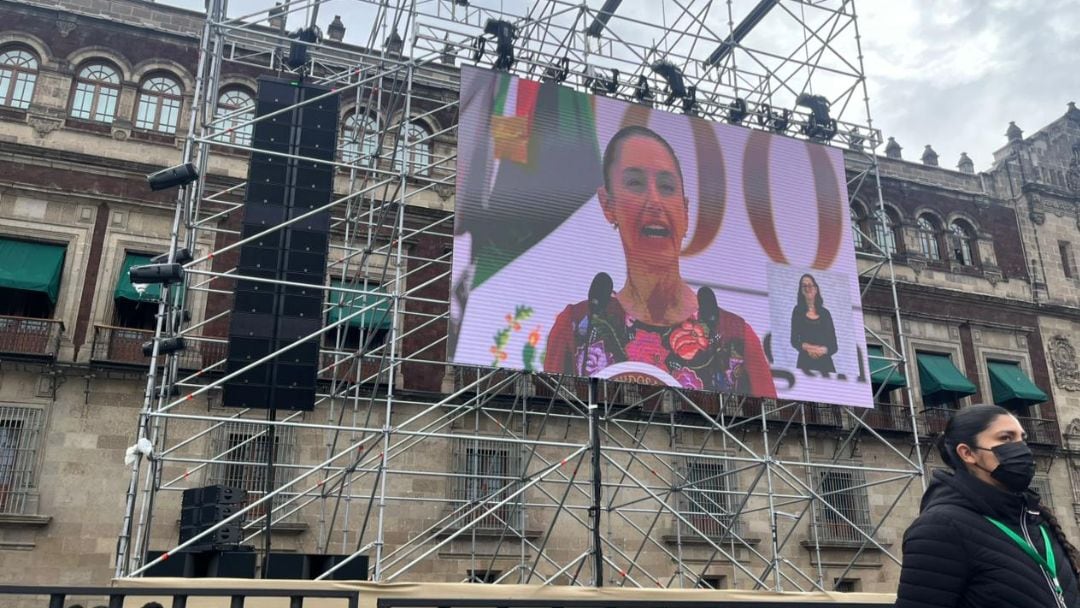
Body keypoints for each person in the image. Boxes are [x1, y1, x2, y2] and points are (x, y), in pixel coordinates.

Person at [544, 125, 775, 397]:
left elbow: (775, 429)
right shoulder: (579, 327)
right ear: (608, 205)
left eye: (666, 187)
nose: (654, 201)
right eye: (635, 183)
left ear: (685, 212)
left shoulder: (734, 337)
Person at [896, 404, 1080, 608]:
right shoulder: (941, 527)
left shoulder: (1034, 519)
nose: (1022, 448)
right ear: (967, 453)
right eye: (1006, 438)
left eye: (1022, 438)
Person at [789, 273, 837, 375]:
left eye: (810, 285)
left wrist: (820, 350)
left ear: (816, 289)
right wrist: (809, 348)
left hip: (826, 367)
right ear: (801, 290)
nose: (807, 288)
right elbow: (794, 341)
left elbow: (833, 346)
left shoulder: (825, 313)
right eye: (804, 286)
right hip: (804, 365)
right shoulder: (797, 312)